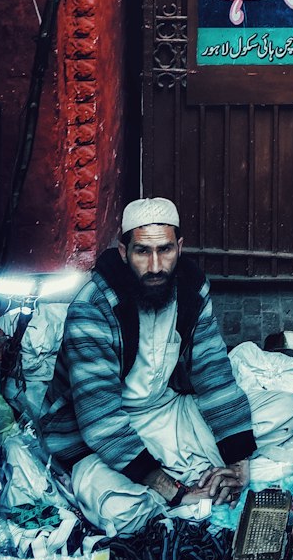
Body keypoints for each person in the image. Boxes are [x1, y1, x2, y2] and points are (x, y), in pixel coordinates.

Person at [39, 197, 256, 536]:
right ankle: (184, 491)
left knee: (279, 411)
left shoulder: (192, 290)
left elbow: (213, 373)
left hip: (166, 411)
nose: (156, 266)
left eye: (165, 250)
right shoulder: (92, 308)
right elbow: (100, 420)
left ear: (179, 248)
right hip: (96, 436)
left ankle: (200, 483)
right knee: (122, 512)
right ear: (124, 253)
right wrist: (177, 491)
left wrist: (238, 464)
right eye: (143, 252)